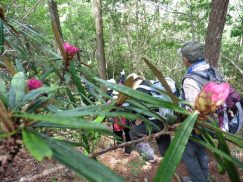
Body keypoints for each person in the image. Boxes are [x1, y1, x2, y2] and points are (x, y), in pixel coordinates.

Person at [179, 41, 218, 182]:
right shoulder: (212, 70)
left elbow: (192, 109)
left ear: (186, 59)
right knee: (202, 150)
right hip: (212, 121)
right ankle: (203, 178)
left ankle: (198, 180)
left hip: (197, 124)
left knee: (187, 153)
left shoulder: (191, 80)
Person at [128, 73, 174, 162]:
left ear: (133, 82)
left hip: (154, 121)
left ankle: (149, 157)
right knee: (162, 133)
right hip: (165, 118)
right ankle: (167, 154)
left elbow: (135, 110)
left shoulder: (140, 89)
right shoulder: (151, 84)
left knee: (134, 133)